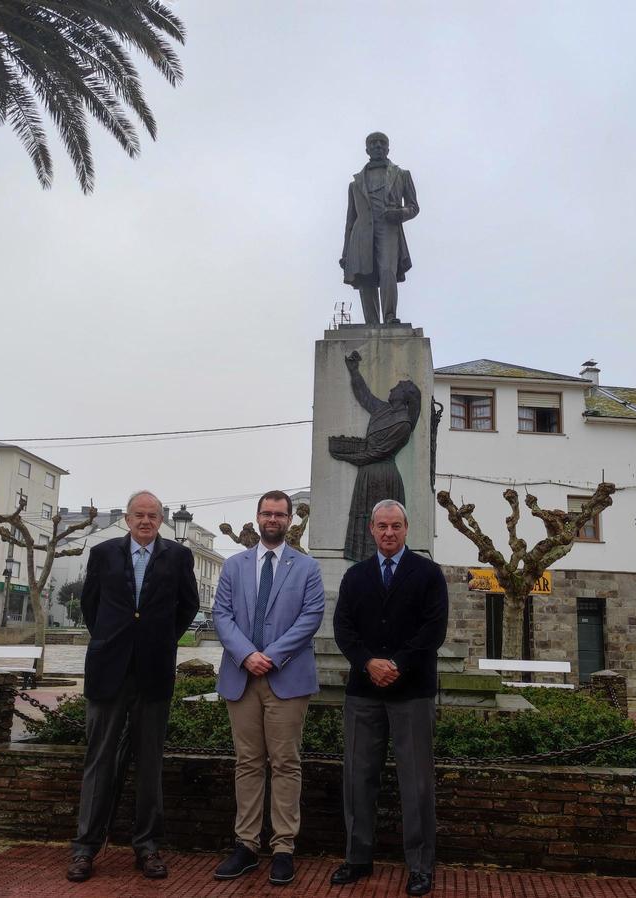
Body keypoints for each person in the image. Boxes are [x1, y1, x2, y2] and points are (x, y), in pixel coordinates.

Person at [66, 490, 199, 883]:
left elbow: (187, 607)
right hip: (109, 670)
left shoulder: (178, 557)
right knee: (99, 759)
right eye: (138, 515)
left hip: (154, 671)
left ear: (161, 520)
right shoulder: (104, 553)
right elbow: (91, 607)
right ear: (127, 519)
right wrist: (113, 639)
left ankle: (148, 846)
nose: (145, 521)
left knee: (149, 763)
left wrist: (160, 640)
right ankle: (85, 848)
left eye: (152, 515)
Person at [331, 500, 448, 896]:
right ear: (371, 529)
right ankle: (358, 857)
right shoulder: (355, 576)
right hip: (363, 692)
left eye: (395, 526)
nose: (388, 533)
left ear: (406, 528)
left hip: (412, 692)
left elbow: (434, 630)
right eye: (381, 526)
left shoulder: (428, 574)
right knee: (357, 779)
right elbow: (343, 628)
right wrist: (369, 663)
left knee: (416, 783)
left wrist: (396, 664)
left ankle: (419, 865)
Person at [211, 490, 326, 885]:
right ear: (257, 517)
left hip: (286, 678)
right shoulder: (233, 566)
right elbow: (221, 615)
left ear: (290, 520)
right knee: (247, 763)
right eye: (266, 513)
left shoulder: (307, 567)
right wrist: (247, 655)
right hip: (241, 677)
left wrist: (271, 656)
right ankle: (245, 845)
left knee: (286, 763)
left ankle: (283, 847)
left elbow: (311, 616)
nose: (272, 519)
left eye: (279, 514)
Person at [329, 351, 421, 561]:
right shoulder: (383, 409)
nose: (391, 388)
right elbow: (364, 395)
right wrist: (354, 371)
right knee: (364, 522)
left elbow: (376, 453)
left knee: (384, 524)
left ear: (403, 396)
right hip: (366, 475)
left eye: (396, 387)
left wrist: (346, 456)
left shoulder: (403, 423)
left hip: (383, 475)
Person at [339, 131, 419, 325]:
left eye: (381, 143)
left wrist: (399, 213)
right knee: (365, 275)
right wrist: (345, 253)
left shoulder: (401, 175)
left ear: (388, 148)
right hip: (361, 232)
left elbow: (413, 206)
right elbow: (350, 220)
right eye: (373, 143)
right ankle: (371, 322)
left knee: (387, 271)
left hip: (388, 227)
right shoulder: (355, 183)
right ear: (367, 149)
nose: (377, 146)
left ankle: (390, 316)